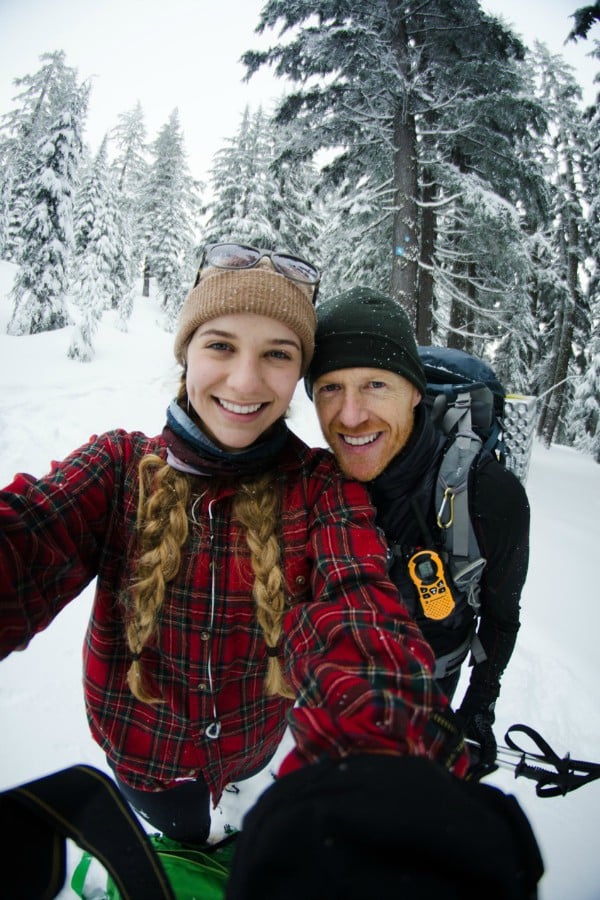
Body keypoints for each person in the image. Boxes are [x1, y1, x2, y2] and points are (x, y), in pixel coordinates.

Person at [0, 244, 469, 847]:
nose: (246, 380)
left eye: (277, 354)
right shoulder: (116, 470)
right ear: (187, 355)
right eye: (221, 345)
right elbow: (25, 542)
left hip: (254, 746)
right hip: (146, 760)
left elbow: (358, 610)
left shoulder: (319, 488)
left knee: (232, 824)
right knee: (185, 838)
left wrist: (387, 769)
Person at [305, 286, 530, 776]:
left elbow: (500, 614)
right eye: (329, 388)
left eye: (376, 385)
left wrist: (479, 705)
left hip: (434, 684)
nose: (350, 414)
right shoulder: (311, 484)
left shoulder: (488, 495)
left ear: (414, 391)